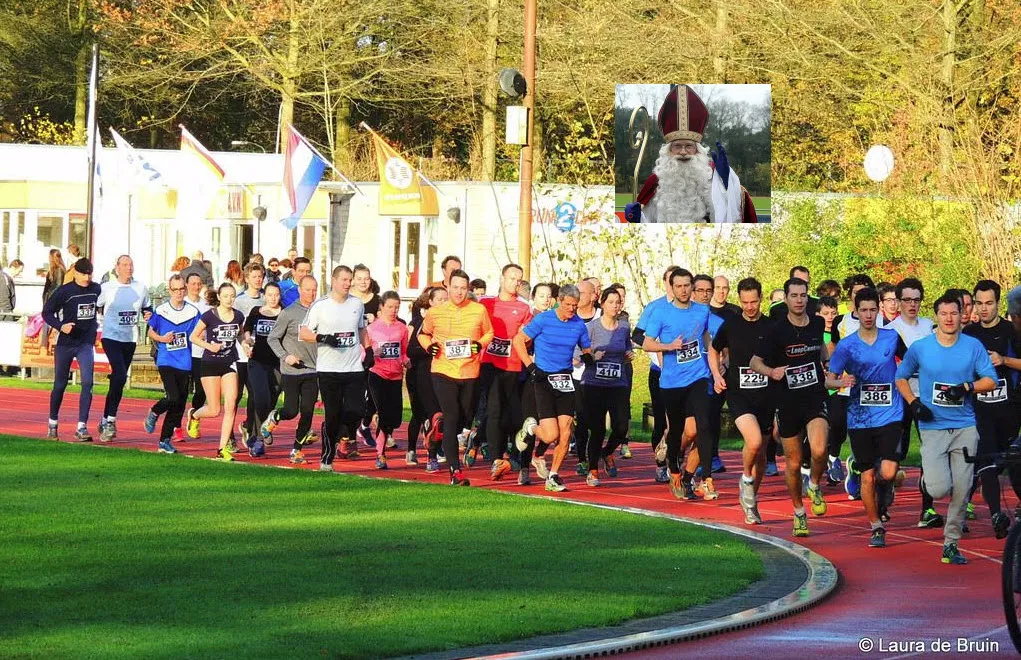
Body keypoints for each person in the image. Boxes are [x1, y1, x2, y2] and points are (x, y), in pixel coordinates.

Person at [895, 292, 997, 565]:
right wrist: (914, 403)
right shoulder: (921, 347)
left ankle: (950, 544)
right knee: (939, 488)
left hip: (964, 426)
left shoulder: (973, 346)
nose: (949, 319)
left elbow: (991, 380)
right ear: (936, 317)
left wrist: (968, 387)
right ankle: (929, 480)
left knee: (963, 489)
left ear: (962, 315)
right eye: (944, 314)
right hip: (932, 426)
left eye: (954, 313)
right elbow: (900, 377)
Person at [826, 288, 907, 547]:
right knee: (868, 476)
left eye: (873, 310)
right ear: (856, 311)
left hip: (891, 413)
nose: (869, 315)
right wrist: (840, 381)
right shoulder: (847, 345)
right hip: (860, 417)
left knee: (889, 470)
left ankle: (887, 487)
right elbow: (829, 379)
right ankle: (876, 527)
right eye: (864, 310)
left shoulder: (892, 337)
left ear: (879, 310)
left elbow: (913, 361)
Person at [750, 276, 830, 537]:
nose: (799, 300)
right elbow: (754, 362)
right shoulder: (776, 330)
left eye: (803, 295)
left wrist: (827, 366)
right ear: (786, 298)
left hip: (815, 396)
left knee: (819, 450)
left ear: (808, 297)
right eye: (794, 295)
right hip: (787, 402)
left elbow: (822, 354)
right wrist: (771, 371)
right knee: (793, 464)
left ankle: (815, 483)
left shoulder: (817, 324)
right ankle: (798, 512)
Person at [641, 268, 725, 500]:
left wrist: (716, 372)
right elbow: (647, 343)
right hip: (671, 382)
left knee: (703, 425)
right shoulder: (661, 312)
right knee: (677, 432)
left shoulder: (702, 311)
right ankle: (675, 471)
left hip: (698, 377)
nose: (684, 290)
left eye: (688, 285)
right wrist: (669, 347)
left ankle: (706, 479)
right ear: (672, 287)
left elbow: (713, 337)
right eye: (679, 286)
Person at [624, 84, 757, 224]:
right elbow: (647, 222)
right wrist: (637, 219)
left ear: (698, 150)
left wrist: (726, 182)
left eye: (689, 146)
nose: (683, 152)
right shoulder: (656, 182)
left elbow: (730, 215)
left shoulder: (712, 177)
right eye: (677, 146)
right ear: (668, 150)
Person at [513, 284, 594, 492]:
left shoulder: (578, 325)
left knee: (566, 431)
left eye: (575, 306)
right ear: (559, 300)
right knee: (550, 436)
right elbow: (518, 340)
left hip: (564, 379)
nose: (572, 310)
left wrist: (588, 356)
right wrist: (530, 366)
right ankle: (530, 427)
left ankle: (554, 475)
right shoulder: (543, 319)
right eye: (568, 305)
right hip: (543, 377)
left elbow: (586, 348)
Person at [418, 269, 493, 486]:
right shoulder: (436, 312)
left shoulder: (478, 310)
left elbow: (489, 332)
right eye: (455, 287)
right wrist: (429, 346)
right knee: (451, 417)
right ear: (448, 288)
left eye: (463, 288)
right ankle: (455, 471)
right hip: (443, 370)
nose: (459, 292)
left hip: (470, 371)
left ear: (468, 289)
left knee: (464, 419)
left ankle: (435, 435)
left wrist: (480, 344)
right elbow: (423, 334)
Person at [713, 277, 775, 523]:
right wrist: (717, 375)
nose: (750, 307)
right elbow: (714, 349)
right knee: (754, 440)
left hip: (766, 395)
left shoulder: (771, 326)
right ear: (739, 300)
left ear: (761, 299)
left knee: (761, 453)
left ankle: (751, 499)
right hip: (739, 393)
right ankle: (746, 478)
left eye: (754, 302)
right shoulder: (730, 324)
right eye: (745, 302)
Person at [299, 265, 372, 471]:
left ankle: (341, 428)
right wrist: (322, 337)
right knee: (332, 415)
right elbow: (303, 332)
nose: (348, 284)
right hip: (329, 369)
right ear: (334, 280)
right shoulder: (321, 305)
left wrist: (368, 349)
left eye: (350, 280)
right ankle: (327, 458)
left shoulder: (357, 304)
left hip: (353, 368)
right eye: (344, 280)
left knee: (357, 410)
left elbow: (361, 329)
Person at [963, 280, 1021, 538]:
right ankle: (997, 513)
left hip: (1010, 407)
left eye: (989, 303)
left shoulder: (1013, 330)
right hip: (981, 407)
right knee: (986, 458)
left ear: (998, 303)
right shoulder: (969, 334)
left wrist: (1003, 360)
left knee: (1011, 461)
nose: (984, 309)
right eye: (979, 303)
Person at [886, 277, 940, 526]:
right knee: (897, 452)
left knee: (930, 452)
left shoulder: (930, 326)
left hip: (926, 396)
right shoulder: (890, 330)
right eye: (907, 299)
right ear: (898, 302)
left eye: (916, 300)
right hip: (899, 397)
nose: (912, 304)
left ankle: (927, 510)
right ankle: (884, 498)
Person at [479, 264, 533, 481]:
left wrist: (523, 337)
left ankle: (500, 450)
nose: (515, 283)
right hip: (489, 363)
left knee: (511, 416)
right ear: (502, 278)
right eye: (512, 278)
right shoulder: (486, 304)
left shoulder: (523, 308)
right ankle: (495, 458)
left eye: (519, 280)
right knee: (494, 410)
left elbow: (527, 337)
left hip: (512, 365)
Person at [263, 275, 320, 464]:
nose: (311, 293)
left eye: (314, 289)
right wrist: (285, 356)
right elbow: (272, 338)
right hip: (292, 370)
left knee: (308, 411)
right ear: (299, 290)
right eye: (307, 289)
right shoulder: (289, 313)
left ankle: (297, 449)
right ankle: (275, 416)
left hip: (313, 369)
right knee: (291, 410)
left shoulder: (320, 311)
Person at [42, 258, 101, 441]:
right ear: (75, 272)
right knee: (60, 384)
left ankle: (82, 427)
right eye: (83, 274)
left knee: (87, 383)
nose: (87, 277)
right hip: (66, 344)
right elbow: (46, 312)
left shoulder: (96, 289)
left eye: (89, 273)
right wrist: (61, 326)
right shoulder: (65, 291)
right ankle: (53, 423)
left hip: (85, 344)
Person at [631, 265, 679, 483]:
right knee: (662, 420)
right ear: (666, 283)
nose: (676, 287)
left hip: (685, 373)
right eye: (671, 282)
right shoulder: (655, 307)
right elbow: (637, 335)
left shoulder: (690, 308)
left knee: (680, 421)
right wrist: (657, 345)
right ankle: (661, 462)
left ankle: (674, 460)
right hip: (659, 370)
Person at [96, 255, 153, 441]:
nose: (129, 268)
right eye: (125, 265)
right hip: (111, 336)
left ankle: (105, 419)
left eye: (131, 265)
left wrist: (147, 314)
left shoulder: (140, 288)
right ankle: (111, 421)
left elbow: (148, 307)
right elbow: (95, 306)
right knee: (120, 374)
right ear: (117, 268)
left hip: (130, 338)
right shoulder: (106, 288)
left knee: (118, 381)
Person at [580, 287, 632, 486]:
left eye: (617, 302)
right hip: (593, 384)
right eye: (610, 302)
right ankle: (592, 470)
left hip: (617, 383)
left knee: (621, 426)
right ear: (602, 303)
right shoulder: (591, 328)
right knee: (598, 429)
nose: (614, 306)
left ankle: (607, 452)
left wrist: (628, 355)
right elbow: (579, 355)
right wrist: (592, 356)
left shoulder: (624, 327)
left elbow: (626, 347)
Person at [144, 274, 200, 454]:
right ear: (169, 291)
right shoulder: (161, 311)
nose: (178, 293)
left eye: (181, 289)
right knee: (173, 397)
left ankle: (164, 441)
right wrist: (162, 338)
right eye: (175, 289)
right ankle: (154, 411)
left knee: (180, 404)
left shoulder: (192, 312)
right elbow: (150, 332)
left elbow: (199, 332)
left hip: (185, 361)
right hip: (166, 360)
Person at [365, 291, 409, 469]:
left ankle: (382, 425)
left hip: (396, 376)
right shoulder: (371, 329)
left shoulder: (402, 328)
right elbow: (363, 352)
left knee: (395, 419)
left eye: (396, 307)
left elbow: (404, 350)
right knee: (383, 414)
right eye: (390, 307)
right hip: (377, 373)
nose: (393, 310)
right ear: (381, 307)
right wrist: (372, 353)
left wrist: (406, 360)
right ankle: (380, 454)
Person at [242, 280, 283, 457]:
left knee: (272, 400)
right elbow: (247, 329)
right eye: (270, 295)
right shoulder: (256, 311)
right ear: (264, 296)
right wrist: (247, 340)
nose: (273, 298)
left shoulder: (285, 313)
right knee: (260, 397)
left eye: (276, 295)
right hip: (257, 360)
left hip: (278, 362)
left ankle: (262, 428)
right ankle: (257, 438)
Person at [407, 287, 447, 471]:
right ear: (430, 302)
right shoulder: (422, 323)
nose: (443, 302)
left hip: (448, 373)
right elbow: (410, 351)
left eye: (445, 299)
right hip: (424, 374)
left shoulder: (452, 323)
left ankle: (440, 449)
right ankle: (430, 456)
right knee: (433, 416)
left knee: (448, 417)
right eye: (439, 299)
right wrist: (430, 349)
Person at [233, 263, 265, 448]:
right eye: (254, 277)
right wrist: (243, 344)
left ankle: (250, 429)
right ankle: (229, 435)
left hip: (258, 355)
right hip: (239, 355)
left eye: (260, 276)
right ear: (247, 279)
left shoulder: (266, 299)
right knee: (235, 396)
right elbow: (236, 326)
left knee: (255, 394)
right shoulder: (239, 301)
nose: (258, 280)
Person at [352, 264, 383, 448]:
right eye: (360, 278)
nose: (363, 282)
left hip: (373, 352)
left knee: (374, 394)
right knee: (354, 395)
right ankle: (347, 435)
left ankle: (364, 426)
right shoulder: (348, 300)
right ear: (354, 280)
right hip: (352, 352)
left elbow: (387, 322)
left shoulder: (377, 300)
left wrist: (376, 320)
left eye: (367, 278)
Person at [183, 272, 211, 438]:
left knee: (202, 390)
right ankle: (175, 426)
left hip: (201, 353)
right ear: (186, 285)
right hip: (184, 353)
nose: (196, 286)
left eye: (199, 283)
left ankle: (194, 415)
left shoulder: (206, 306)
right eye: (193, 283)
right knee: (181, 391)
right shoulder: (182, 303)